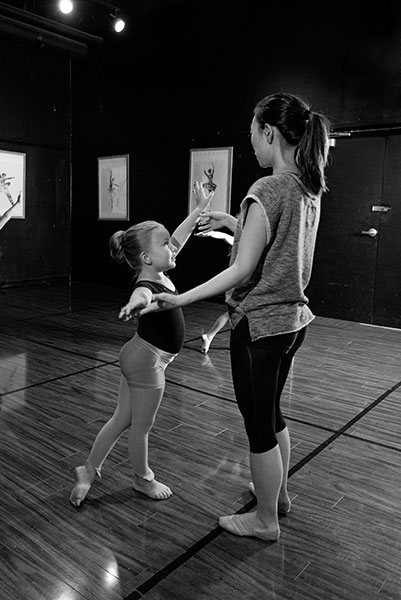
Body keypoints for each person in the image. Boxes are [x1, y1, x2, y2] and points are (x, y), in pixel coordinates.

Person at [139, 93, 331, 541]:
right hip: (292, 322)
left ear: (269, 132)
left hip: (259, 325)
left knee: (258, 425)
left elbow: (242, 268)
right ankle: (277, 496)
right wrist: (231, 217)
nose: (250, 140)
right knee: (273, 414)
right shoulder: (306, 186)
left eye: (252, 131)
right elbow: (274, 243)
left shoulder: (266, 189)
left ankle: (265, 521)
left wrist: (181, 298)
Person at [69, 182, 213, 507]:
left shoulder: (158, 269)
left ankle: (88, 471)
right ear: (147, 256)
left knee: (122, 418)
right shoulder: (147, 283)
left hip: (138, 355)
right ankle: (142, 479)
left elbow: (182, 235)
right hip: (147, 362)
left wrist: (200, 208)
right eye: (165, 244)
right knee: (140, 426)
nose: (173, 247)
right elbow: (143, 294)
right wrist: (136, 303)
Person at [194, 229, 234, 353]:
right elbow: (225, 236)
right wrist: (210, 233)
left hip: (242, 282)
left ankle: (210, 336)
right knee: (232, 313)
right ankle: (210, 336)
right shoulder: (242, 242)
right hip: (239, 283)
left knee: (232, 314)